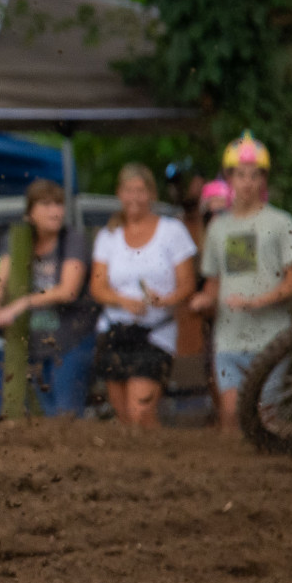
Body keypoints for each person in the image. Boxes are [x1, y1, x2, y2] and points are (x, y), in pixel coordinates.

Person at [190, 133, 292, 434]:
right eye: (240, 175)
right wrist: (203, 301)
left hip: (271, 338)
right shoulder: (218, 228)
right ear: (229, 178)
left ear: (264, 179)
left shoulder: (282, 223)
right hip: (229, 339)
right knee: (230, 414)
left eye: (254, 175)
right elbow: (214, 283)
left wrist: (257, 301)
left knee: (266, 419)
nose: (247, 182)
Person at [88, 162, 198, 430]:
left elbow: (187, 284)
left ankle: (159, 452)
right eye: (129, 190)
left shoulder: (172, 231)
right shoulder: (109, 235)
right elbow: (97, 287)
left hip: (155, 331)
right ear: (120, 194)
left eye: (140, 190)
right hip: (116, 329)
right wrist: (123, 300)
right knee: (124, 416)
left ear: (151, 194)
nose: (134, 197)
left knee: (140, 412)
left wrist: (165, 300)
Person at [0, 179, 96, 419]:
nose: (55, 211)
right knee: (42, 412)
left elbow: (68, 290)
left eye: (59, 204)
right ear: (30, 213)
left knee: (65, 412)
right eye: (46, 204)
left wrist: (20, 304)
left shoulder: (73, 239)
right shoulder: (19, 239)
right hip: (34, 342)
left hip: (70, 340)